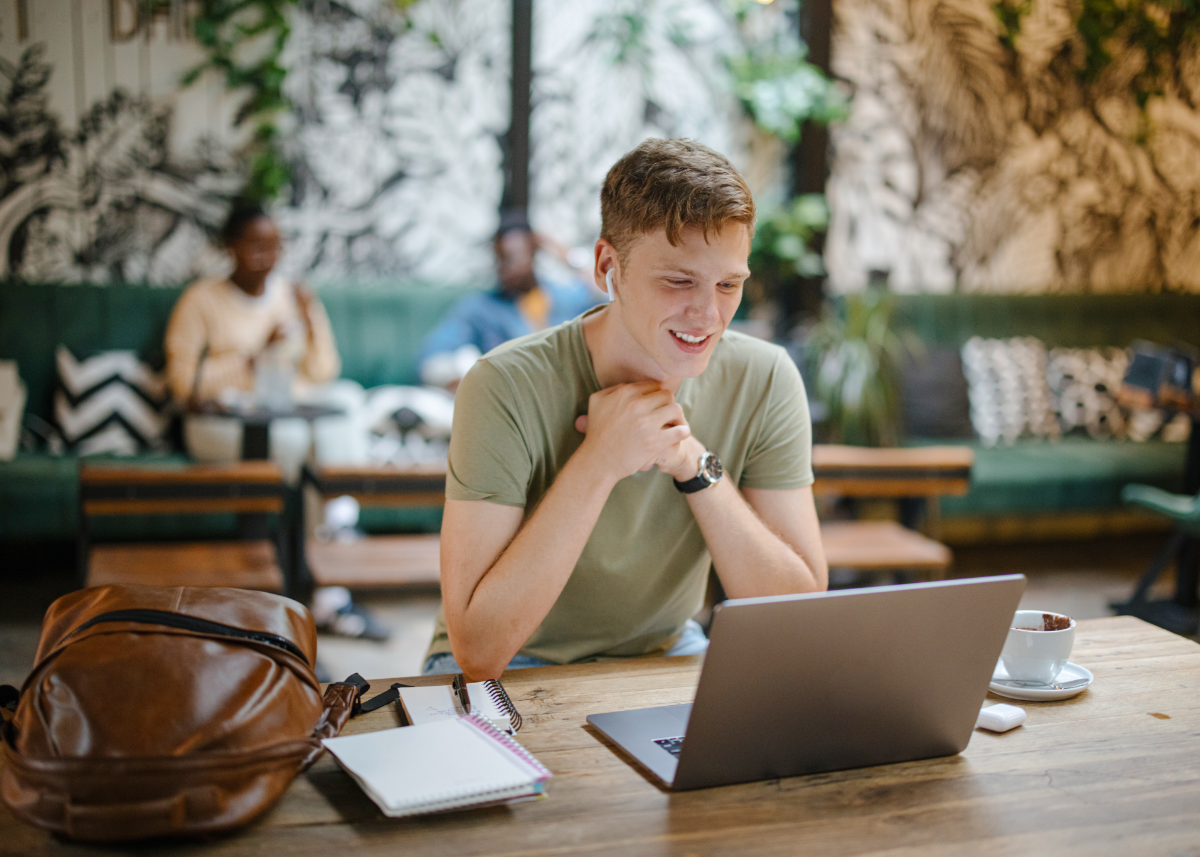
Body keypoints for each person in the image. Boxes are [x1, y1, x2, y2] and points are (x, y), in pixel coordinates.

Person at [424, 139, 828, 679]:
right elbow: (478, 649)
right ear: (607, 266)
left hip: (665, 650)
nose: (708, 314)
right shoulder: (501, 384)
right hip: (512, 665)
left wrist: (692, 463)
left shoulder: (766, 377)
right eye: (679, 280)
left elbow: (796, 616)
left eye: (729, 284)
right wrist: (600, 460)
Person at [164, 200, 387, 641]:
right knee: (292, 438)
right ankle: (323, 586)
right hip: (223, 424)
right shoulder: (201, 300)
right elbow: (181, 384)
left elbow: (323, 372)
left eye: (274, 246)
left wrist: (309, 317)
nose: (266, 256)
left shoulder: (292, 295)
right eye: (254, 245)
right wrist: (252, 356)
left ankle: (339, 514)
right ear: (230, 247)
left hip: (288, 412)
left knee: (345, 398)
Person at [417, 211, 603, 390]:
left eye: (512, 258)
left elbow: (609, 296)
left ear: (533, 253)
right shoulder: (481, 308)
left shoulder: (566, 297)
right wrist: (471, 383)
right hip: (516, 398)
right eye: (499, 260)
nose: (504, 269)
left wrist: (567, 256)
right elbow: (429, 360)